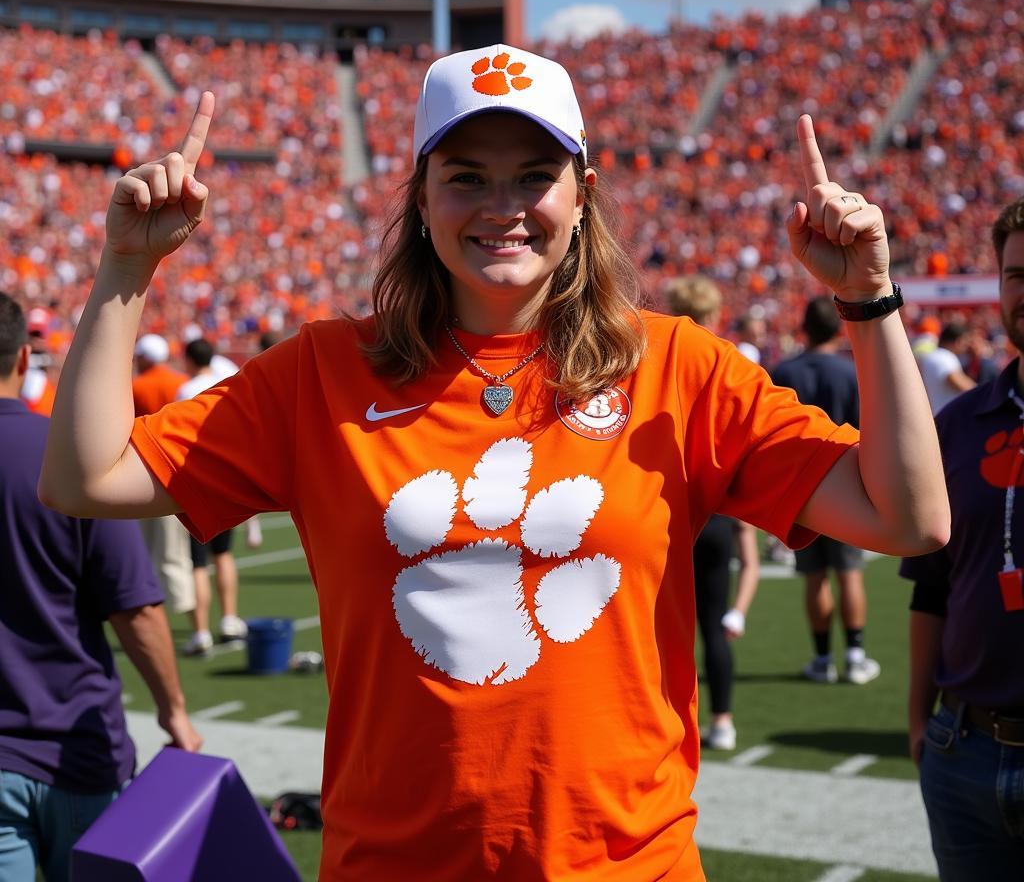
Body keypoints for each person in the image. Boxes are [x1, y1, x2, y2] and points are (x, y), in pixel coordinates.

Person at [40, 45, 948, 881]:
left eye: (535, 176)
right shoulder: (320, 370)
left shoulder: (680, 366)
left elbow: (907, 519)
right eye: (466, 177)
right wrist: (126, 265)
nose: (502, 206)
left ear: (582, 194)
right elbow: (87, 478)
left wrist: (870, 301)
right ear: (420, 196)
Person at [0, 292, 202, 882]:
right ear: (22, 362)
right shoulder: (61, 455)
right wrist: (174, 713)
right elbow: (135, 609)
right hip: (76, 750)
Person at [900, 198, 1024, 881]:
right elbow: (931, 585)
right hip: (966, 751)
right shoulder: (959, 425)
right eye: (1016, 275)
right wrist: (921, 724)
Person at [664, 274, 760, 750]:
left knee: (661, 625)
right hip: (719, 509)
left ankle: (670, 722)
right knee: (714, 623)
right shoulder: (729, 363)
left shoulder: (661, 361)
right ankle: (722, 719)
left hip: (668, 509)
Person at [772, 297, 881, 685]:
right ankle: (854, 655)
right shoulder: (850, 372)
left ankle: (822, 659)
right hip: (846, 484)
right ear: (836, 330)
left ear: (804, 328)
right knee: (849, 574)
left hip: (800, 491)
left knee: (814, 577)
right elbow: (868, 431)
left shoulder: (784, 370)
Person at [175, 338, 248, 654]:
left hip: (194, 480)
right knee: (223, 555)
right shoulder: (226, 382)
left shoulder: (185, 389)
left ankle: (201, 631)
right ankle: (230, 619)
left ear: (190, 360)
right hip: (224, 477)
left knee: (197, 562)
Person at [131, 333, 194, 615]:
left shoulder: (137, 385)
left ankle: (153, 610)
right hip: (179, 469)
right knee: (178, 553)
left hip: (145, 469)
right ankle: (194, 618)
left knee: (148, 551)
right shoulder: (181, 381)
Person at [917, 320, 975, 414]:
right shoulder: (946, 357)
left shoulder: (928, 357)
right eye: (965, 342)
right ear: (958, 341)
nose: (966, 347)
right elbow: (962, 385)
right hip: (947, 417)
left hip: (933, 415)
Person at [19, 306, 57, 417]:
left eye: (40, 335)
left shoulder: (55, 364)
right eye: (32, 334)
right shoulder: (17, 362)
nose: (36, 339)